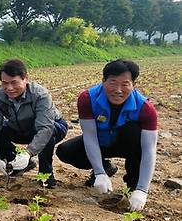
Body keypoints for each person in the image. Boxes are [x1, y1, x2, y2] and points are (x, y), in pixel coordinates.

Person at [56, 59, 158, 211]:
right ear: (103, 81)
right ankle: (105, 167)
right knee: (65, 151)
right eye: (112, 82)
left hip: (127, 145)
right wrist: (99, 172)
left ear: (133, 85)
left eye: (125, 84)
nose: (118, 89)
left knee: (133, 131)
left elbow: (149, 150)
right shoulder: (87, 99)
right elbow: (89, 136)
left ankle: (134, 187)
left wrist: (142, 189)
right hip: (100, 142)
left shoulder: (145, 108)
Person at [0, 59, 68, 188]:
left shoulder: (40, 95)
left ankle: (45, 173)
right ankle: (16, 163)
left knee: (48, 133)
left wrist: (28, 153)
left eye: (14, 82)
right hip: (19, 127)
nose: (9, 88)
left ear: (25, 79)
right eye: (4, 83)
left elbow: (45, 128)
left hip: (51, 126)